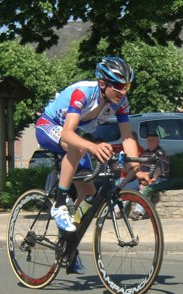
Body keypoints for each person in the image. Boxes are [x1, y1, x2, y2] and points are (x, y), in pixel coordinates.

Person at [35, 56, 151, 273]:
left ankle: (68, 244)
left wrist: (137, 169)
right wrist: (93, 147)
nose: (123, 92)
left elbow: (127, 138)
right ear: (102, 84)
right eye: (117, 86)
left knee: (89, 191)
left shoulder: (120, 103)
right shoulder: (84, 93)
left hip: (72, 137)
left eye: (126, 86)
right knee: (79, 147)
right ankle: (60, 204)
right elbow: (69, 133)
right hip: (48, 126)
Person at [120, 129, 170, 220]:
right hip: (142, 177)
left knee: (145, 189)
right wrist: (125, 180)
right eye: (148, 139)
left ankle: (138, 212)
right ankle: (118, 211)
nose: (150, 141)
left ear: (157, 140)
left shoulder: (161, 153)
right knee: (127, 187)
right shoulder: (145, 153)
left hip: (158, 179)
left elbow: (158, 170)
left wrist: (150, 179)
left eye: (152, 139)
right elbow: (136, 168)